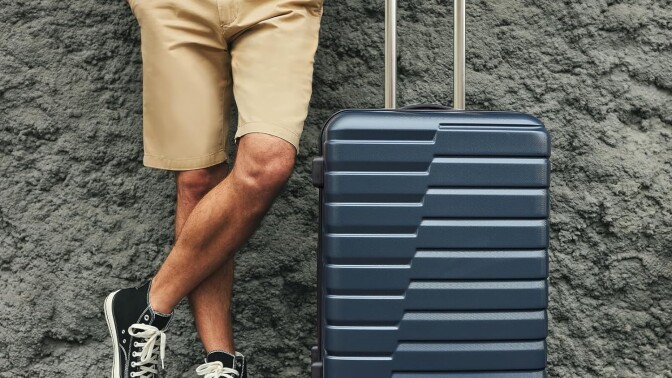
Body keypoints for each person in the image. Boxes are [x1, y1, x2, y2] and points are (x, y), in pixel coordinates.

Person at [103, 0, 323, 377]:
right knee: (198, 178)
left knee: (267, 164)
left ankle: (147, 303)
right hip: (176, 6)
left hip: (278, 6)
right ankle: (220, 362)